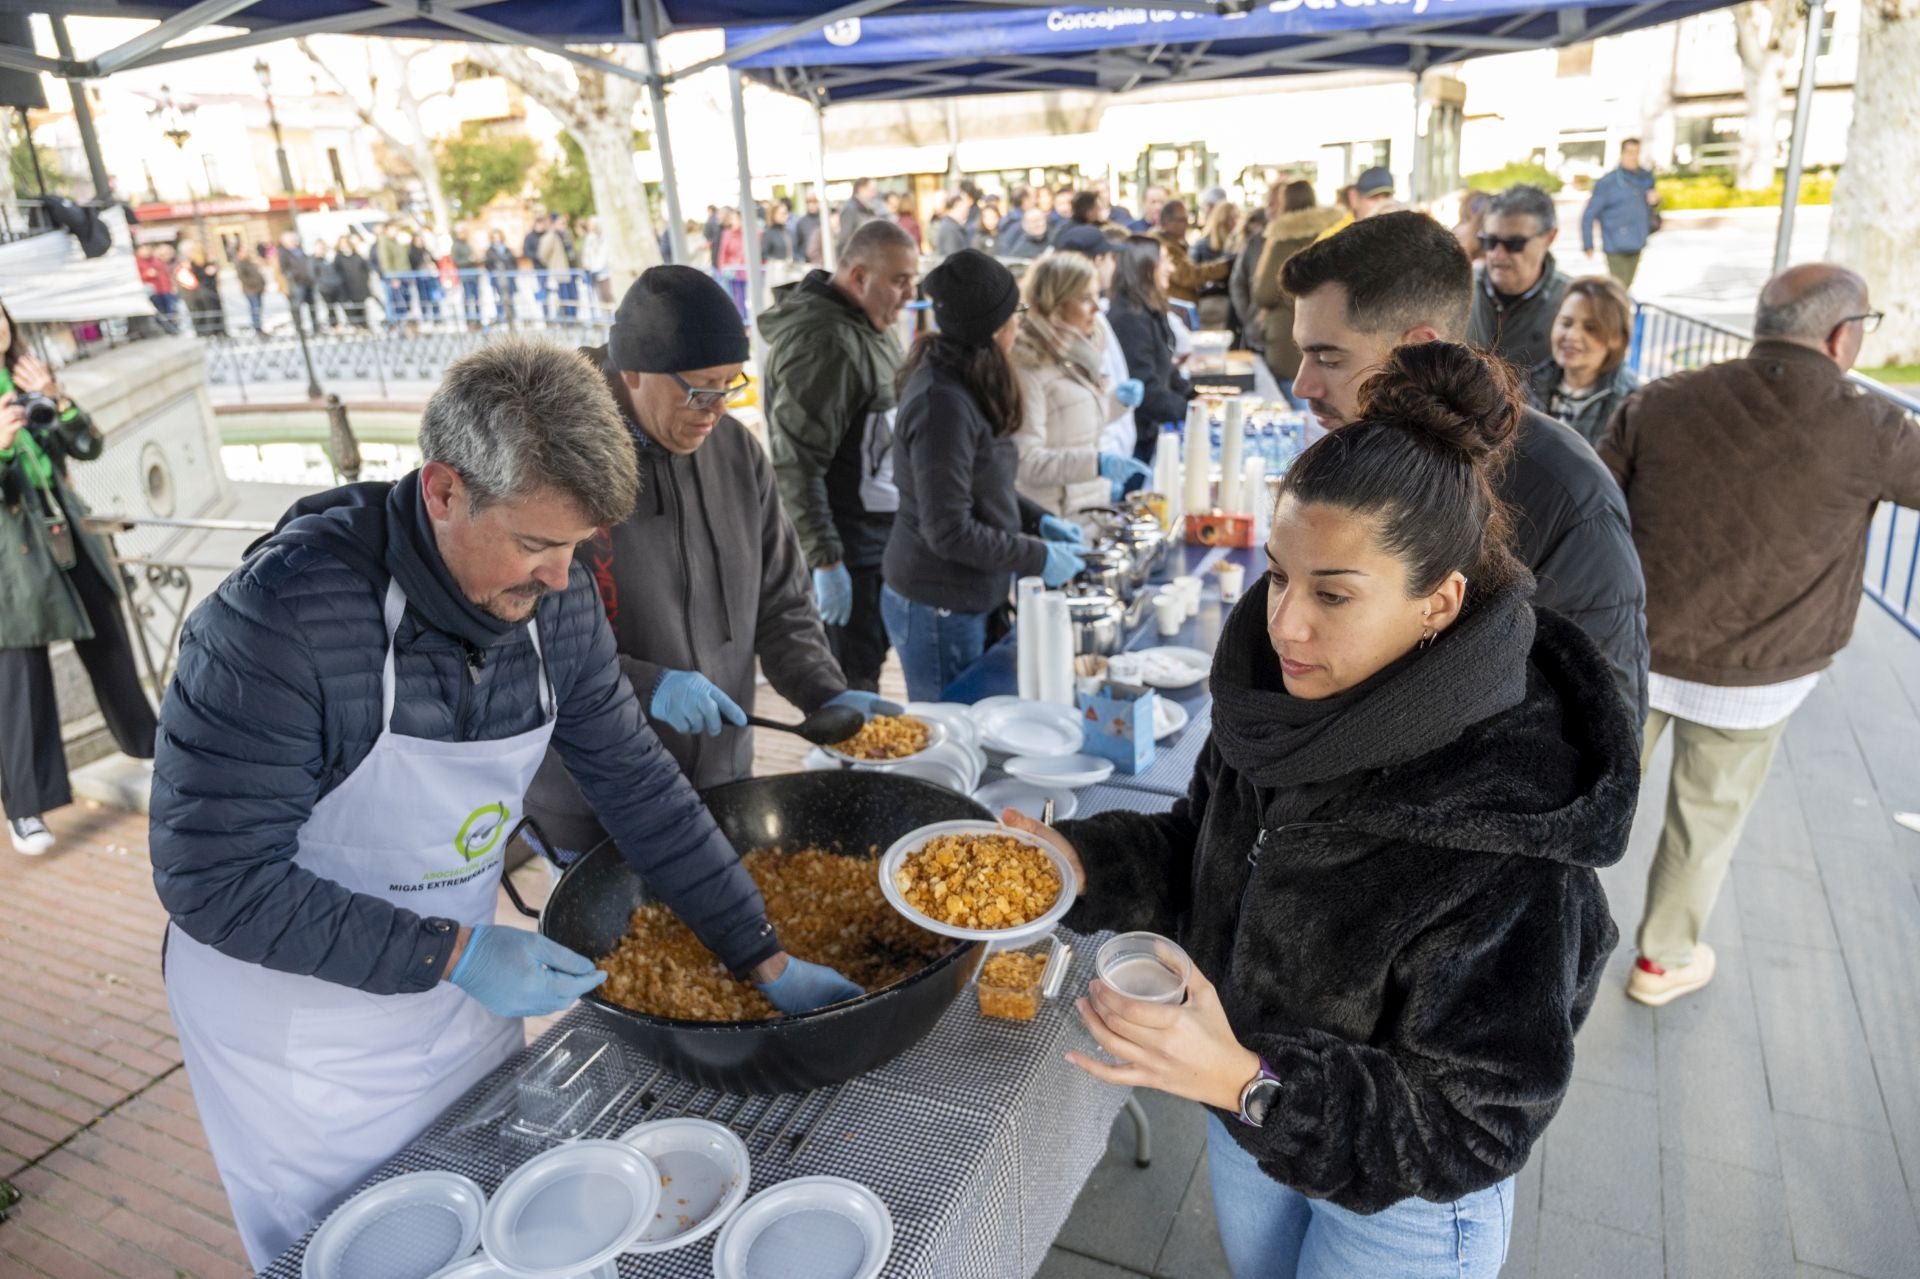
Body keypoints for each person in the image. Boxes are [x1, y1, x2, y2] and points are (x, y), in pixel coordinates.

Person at [152, 338, 864, 1268]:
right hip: (303, 1041)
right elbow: (213, 879)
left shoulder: (552, 600)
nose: (563, 578)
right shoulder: (280, 624)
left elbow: (634, 777)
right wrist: (453, 950)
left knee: (509, 1225)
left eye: (577, 546)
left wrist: (760, 952)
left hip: (455, 994)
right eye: (536, 543)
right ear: (444, 490)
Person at [1007, 341, 1635, 1279]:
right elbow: (1206, 851)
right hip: (1251, 1123)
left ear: (1441, 602)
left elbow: (1473, 1121)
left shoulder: (1509, 817)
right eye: (1280, 574)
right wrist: (1073, 863)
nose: (1285, 622)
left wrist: (1243, 1080)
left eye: (1333, 593)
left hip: (1405, 1199)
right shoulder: (1274, 708)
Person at [1597, 264, 1920, 1006]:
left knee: (1588, 794)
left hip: (1634, 651)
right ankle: (1661, 960)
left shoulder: (1663, 401)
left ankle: (1530, 940)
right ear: (1843, 335)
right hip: (1758, 675)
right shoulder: (1871, 426)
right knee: (1703, 821)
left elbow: (1598, 503)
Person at [523, 268, 898, 854]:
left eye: (730, 385)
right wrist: (648, 685)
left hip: (722, 786)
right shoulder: (550, 463)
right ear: (633, 371)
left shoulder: (734, 452)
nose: (716, 409)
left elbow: (782, 600)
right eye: (699, 389)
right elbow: (523, 645)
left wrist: (823, 692)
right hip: (596, 802)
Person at [1282, 210, 1648, 727]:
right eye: (1303, 354)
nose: (1302, 386)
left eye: (1329, 358)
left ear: (1415, 345)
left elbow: (1602, 731)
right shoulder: (1351, 457)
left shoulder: (1568, 496)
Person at [881, 249, 1087, 699]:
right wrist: (1038, 556)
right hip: (938, 603)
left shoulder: (970, 377)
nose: (1019, 323)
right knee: (954, 735)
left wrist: (1038, 520)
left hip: (974, 594)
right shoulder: (942, 404)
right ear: (994, 327)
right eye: (1016, 313)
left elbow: (983, 486)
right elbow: (949, 530)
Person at [0, 301, 157, 856]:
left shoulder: (29, 376)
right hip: (11, 557)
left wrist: (58, 398)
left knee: (110, 642)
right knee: (21, 681)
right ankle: (25, 809)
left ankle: (150, 744)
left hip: (66, 531)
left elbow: (88, 446)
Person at [759, 220, 920, 694]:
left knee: (868, 661)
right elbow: (796, 464)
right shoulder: (825, 342)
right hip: (847, 545)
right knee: (851, 681)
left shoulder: (870, 323)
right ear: (857, 277)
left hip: (878, 537)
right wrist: (827, 561)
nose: (909, 294)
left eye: (913, 280)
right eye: (899, 280)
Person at [1010, 251, 1149, 517]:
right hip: (1053, 516)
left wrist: (1116, 403)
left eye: (1097, 295)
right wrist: (1096, 464)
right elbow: (1026, 462)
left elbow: (1070, 423)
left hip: (1088, 510)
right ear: (1056, 303)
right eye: (1086, 299)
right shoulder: (1028, 366)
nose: (1097, 308)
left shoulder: (1077, 354)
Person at [1251, 181, 1343, 405]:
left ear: (1285, 202)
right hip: (1333, 337)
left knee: (1296, 415)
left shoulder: (1284, 238)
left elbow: (1264, 293)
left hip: (1288, 339)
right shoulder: (1336, 231)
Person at [1056, 225, 1143, 458]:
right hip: (1092, 456)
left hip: (1110, 446)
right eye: (1110, 258)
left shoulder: (1097, 315)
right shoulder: (1074, 325)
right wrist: (1103, 458)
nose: (1114, 266)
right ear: (1096, 261)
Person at [1108, 234, 1195, 461]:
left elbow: (1164, 365)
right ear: (1146, 266)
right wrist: (1191, 411)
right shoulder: (1128, 317)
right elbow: (1144, 388)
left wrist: (1192, 395)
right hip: (1137, 438)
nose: (1171, 268)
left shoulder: (1148, 309)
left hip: (1151, 430)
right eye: (1165, 260)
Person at [1467, 184, 1572, 370]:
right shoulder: (1460, 289)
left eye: (1514, 244)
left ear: (1549, 238)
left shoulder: (1572, 303)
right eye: (1489, 242)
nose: (1498, 255)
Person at [1528, 275, 1639, 446]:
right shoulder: (1527, 385)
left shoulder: (1631, 403)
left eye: (1590, 328)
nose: (1572, 336)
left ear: (1617, 338)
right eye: (1566, 323)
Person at [1580, 138, 1658, 288]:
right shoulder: (1607, 183)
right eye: (1629, 152)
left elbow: (1649, 209)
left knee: (1626, 287)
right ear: (1622, 153)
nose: (1633, 157)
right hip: (1615, 243)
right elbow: (1589, 215)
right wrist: (1588, 244)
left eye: (1637, 152)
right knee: (1619, 288)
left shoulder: (1645, 178)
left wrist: (1654, 202)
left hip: (1637, 240)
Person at [1154, 200, 1231, 308]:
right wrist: (1224, 266)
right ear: (1167, 222)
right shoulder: (1164, 245)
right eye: (1182, 220)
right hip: (1175, 308)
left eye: (1187, 219)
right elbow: (1188, 275)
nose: (1186, 224)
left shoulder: (1173, 242)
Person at [1313, 166, 1394, 243]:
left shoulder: (1394, 233)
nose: (1382, 203)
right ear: (1354, 198)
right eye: (1374, 197)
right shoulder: (1333, 238)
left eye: (1387, 196)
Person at [275, 231, 320, 335]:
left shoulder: (301, 251)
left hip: (308, 282)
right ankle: (299, 328)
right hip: (296, 284)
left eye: (295, 240)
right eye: (291, 241)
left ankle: (315, 326)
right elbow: (284, 270)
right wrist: (295, 276)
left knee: (312, 305)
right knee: (296, 306)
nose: (294, 242)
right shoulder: (283, 253)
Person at [178, 240, 225, 338]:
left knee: (216, 309)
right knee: (208, 311)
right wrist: (206, 272)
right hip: (203, 290)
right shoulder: (193, 263)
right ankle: (210, 331)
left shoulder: (208, 261)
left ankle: (220, 330)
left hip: (211, 288)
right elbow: (195, 276)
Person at [375, 224, 413, 330]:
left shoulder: (396, 241)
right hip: (395, 277)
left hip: (403, 275)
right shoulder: (384, 242)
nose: (396, 231)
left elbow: (403, 259)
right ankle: (395, 326)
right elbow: (386, 262)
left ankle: (402, 325)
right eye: (394, 228)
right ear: (387, 229)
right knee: (396, 302)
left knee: (404, 302)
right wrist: (392, 278)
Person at [334, 236, 374, 330]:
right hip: (346, 287)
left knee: (361, 306)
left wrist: (365, 279)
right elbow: (336, 272)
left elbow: (365, 268)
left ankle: (364, 325)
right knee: (351, 308)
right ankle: (355, 325)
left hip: (359, 285)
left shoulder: (357, 255)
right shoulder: (338, 258)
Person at [837, 179, 881, 257]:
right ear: (861, 189)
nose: (874, 194)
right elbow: (844, 239)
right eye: (872, 190)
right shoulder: (850, 209)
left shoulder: (868, 208)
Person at [450, 224, 482, 326]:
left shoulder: (468, 243)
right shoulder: (455, 245)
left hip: (473, 273)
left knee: (477, 297)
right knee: (468, 297)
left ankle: (478, 318)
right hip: (465, 274)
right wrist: (468, 260)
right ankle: (468, 319)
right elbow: (455, 261)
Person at [483, 228, 517, 323]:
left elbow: (514, 262)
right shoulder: (490, 251)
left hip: (509, 277)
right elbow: (487, 265)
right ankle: (501, 315)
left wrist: (512, 271)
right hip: (497, 278)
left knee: (510, 296)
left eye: (498, 237)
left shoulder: (507, 249)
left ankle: (512, 315)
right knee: (499, 297)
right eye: (495, 238)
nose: (497, 239)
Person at [234, 248, 268, 336]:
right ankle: (257, 329)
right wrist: (254, 284)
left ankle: (259, 327)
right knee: (255, 309)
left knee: (258, 308)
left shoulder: (250, 262)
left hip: (258, 289)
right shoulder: (240, 264)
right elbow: (243, 278)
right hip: (251, 290)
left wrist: (262, 283)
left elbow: (257, 274)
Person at [930, 192, 973, 259]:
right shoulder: (949, 228)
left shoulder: (953, 226)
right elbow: (952, 257)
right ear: (956, 204)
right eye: (965, 205)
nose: (968, 208)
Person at [794, 192, 824, 265]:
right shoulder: (801, 222)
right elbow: (797, 244)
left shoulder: (823, 220)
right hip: (807, 261)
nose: (811, 206)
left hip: (822, 260)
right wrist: (802, 259)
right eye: (809, 203)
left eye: (814, 203)